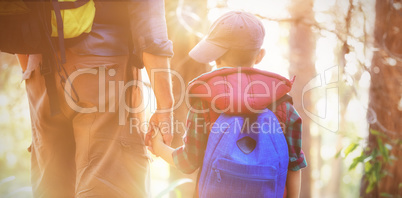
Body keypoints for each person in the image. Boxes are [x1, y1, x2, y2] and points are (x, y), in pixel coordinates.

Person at [17, 1, 174, 197]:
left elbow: (16, 14)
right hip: (104, 72)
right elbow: (151, 27)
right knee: (109, 188)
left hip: (40, 73)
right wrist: (165, 108)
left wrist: (30, 70)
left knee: (51, 188)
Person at [149, 11, 307, 197]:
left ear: (216, 58)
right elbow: (294, 165)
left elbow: (188, 162)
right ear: (260, 56)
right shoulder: (284, 107)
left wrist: (158, 148)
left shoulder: (205, 102)